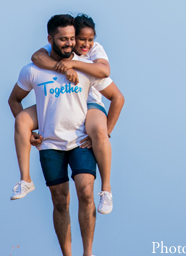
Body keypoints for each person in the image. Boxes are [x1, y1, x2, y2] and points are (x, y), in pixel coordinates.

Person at [8, 14, 125, 256]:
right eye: (63, 39)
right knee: (60, 201)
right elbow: (14, 99)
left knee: (86, 192)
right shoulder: (33, 69)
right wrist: (28, 132)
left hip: (80, 141)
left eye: (72, 38)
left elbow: (116, 95)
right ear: (50, 39)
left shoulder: (86, 66)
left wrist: (104, 133)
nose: (70, 43)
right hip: (50, 144)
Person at [10, 14, 114, 215]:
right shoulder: (50, 55)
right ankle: (25, 179)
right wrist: (64, 69)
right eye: (76, 39)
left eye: (73, 38)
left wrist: (73, 65)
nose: (80, 43)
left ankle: (106, 190)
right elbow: (36, 57)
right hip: (57, 107)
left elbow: (105, 72)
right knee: (22, 120)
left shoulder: (92, 50)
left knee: (99, 132)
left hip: (89, 104)